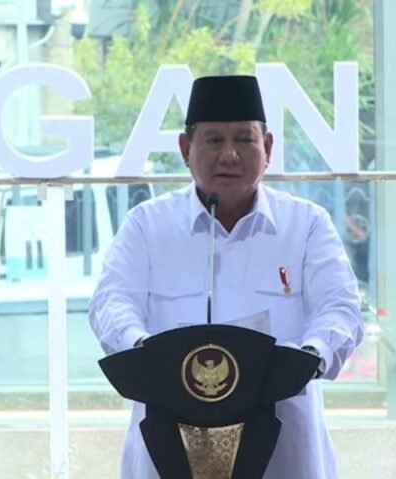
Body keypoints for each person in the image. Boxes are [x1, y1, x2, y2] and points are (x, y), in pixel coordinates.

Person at [89, 75, 364, 479]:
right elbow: (110, 302)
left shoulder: (305, 225)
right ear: (186, 149)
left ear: (267, 148)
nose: (229, 155)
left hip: (285, 452)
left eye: (244, 140)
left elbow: (341, 308)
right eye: (214, 140)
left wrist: (311, 355)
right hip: (169, 446)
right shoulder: (147, 226)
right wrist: (142, 348)